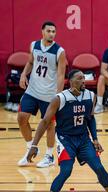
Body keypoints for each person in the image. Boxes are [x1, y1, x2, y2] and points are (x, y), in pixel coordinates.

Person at [26, 69, 108, 192]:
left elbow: (91, 119)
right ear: (71, 82)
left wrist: (95, 139)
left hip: (83, 140)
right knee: (66, 171)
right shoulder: (59, 99)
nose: (84, 81)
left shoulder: (90, 96)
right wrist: (34, 145)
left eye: (84, 79)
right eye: (80, 79)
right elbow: (45, 122)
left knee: (99, 167)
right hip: (65, 139)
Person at [17, 21, 66, 168]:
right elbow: (31, 62)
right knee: (21, 118)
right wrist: (23, 75)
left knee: (50, 125)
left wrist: (58, 96)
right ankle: (30, 149)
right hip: (32, 91)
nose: (52, 34)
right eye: (49, 31)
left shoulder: (59, 51)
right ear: (42, 32)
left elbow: (61, 75)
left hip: (49, 94)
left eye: (54, 32)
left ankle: (49, 156)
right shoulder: (34, 45)